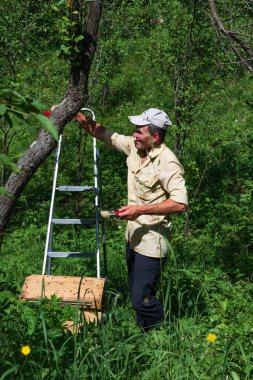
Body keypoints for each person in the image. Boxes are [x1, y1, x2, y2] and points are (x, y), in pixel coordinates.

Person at [73, 107, 188, 331]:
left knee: (140, 299)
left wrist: (140, 210)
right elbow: (104, 133)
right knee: (139, 295)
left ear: (154, 136)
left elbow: (180, 203)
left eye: (139, 131)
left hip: (153, 243)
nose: (134, 135)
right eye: (134, 130)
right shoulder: (136, 148)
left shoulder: (167, 162)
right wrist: (75, 115)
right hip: (133, 238)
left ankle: (168, 336)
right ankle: (147, 339)